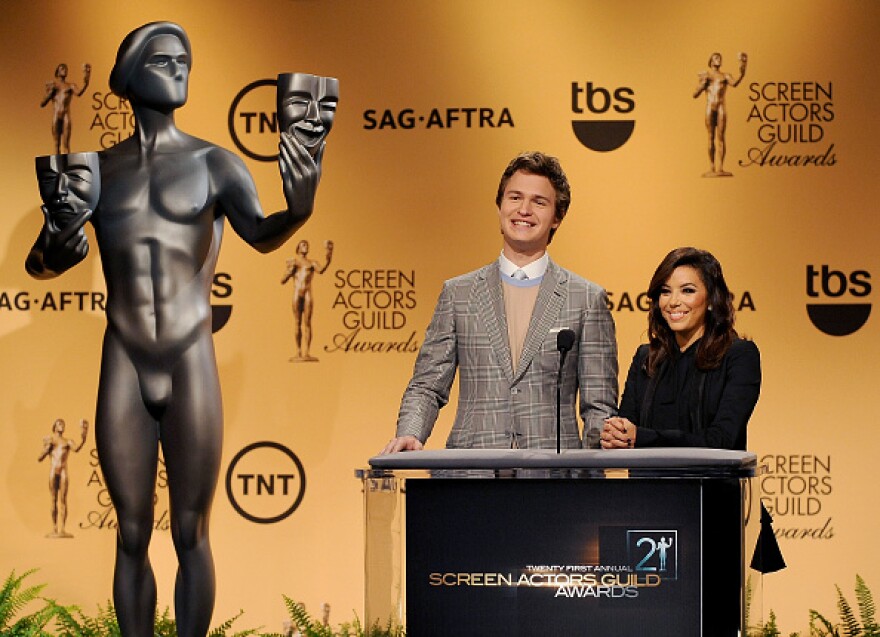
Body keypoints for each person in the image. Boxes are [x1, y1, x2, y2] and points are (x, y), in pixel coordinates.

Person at [25, 22, 327, 637]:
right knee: (131, 530)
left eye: (185, 58)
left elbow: (262, 235)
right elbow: (42, 263)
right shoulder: (95, 170)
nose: (179, 66)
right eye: (162, 59)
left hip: (191, 356)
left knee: (192, 529)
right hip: (126, 358)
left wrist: (298, 210)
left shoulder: (216, 162)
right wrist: (60, 234)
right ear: (128, 78)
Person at [382, 151, 618, 454]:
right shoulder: (458, 294)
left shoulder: (586, 299)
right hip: (471, 473)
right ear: (500, 206)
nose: (524, 210)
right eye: (515, 197)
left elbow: (599, 405)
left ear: (557, 218)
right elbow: (428, 384)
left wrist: (590, 465)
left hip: (553, 479)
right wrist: (410, 433)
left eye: (539, 202)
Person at [601, 247, 760, 450]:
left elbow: (722, 440)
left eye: (687, 291)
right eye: (665, 292)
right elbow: (627, 428)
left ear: (711, 298)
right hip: (648, 481)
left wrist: (643, 438)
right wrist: (615, 434)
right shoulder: (646, 357)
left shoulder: (739, 355)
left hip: (708, 482)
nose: (673, 302)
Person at [693, 52, 747, 177]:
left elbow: (735, 83)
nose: (719, 60)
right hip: (710, 107)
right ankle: (712, 167)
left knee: (721, 137)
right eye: (716, 58)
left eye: (720, 58)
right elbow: (695, 94)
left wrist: (742, 71)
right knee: (710, 137)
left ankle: (721, 167)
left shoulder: (725, 76)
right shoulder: (706, 75)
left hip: (721, 107)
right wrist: (702, 84)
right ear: (711, 61)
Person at [281, 239, 334, 361]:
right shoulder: (294, 262)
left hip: (307, 293)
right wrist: (290, 270)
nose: (306, 247)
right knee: (297, 322)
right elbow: (283, 280)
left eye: (307, 245)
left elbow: (321, 270)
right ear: (298, 248)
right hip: (297, 293)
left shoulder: (312, 263)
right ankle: (298, 351)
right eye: (303, 245)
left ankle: (307, 352)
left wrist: (328, 258)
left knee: (307, 323)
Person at [38, 418, 89, 538]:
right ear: (54, 427)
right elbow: (40, 458)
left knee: (63, 500)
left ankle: (62, 529)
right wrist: (46, 449)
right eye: (59, 424)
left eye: (63, 424)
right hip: (53, 471)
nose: (62, 426)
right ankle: (54, 527)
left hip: (63, 472)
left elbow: (76, 449)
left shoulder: (67, 441)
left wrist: (84, 437)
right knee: (53, 500)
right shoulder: (50, 440)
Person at [41, 63, 91, 155]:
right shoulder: (53, 85)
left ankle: (67, 168)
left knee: (66, 145)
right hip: (56, 115)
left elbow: (79, 93)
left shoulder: (70, 86)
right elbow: (42, 103)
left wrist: (86, 80)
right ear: (58, 72)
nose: (65, 70)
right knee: (56, 144)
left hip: (65, 116)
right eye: (62, 68)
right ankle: (57, 167)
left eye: (66, 69)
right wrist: (50, 93)